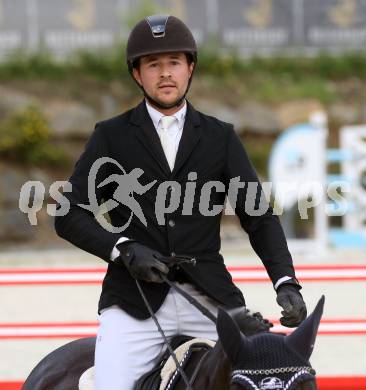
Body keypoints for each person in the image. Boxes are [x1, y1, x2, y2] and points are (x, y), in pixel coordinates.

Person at [54, 14, 307, 390]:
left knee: (266, 373)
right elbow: (68, 212)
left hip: (210, 297)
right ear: (137, 75)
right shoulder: (111, 137)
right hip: (135, 301)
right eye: (153, 65)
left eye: (174, 62)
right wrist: (122, 249)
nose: (165, 73)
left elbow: (258, 217)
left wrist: (285, 280)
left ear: (190, 68)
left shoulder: (220, 137)